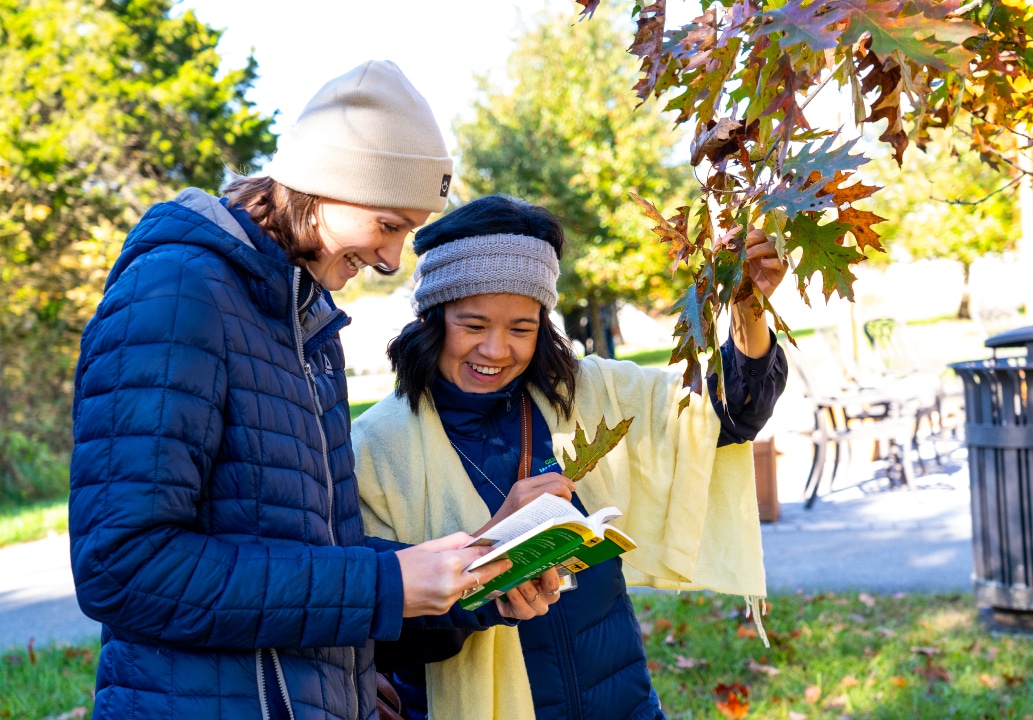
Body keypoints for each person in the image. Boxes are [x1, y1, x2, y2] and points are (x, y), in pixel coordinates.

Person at [68, 62, 558, 720]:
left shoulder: (310, 330)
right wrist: (383, 582)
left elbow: (314, 571)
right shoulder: (177, 293)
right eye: (389, 224)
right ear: (327, 185)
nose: (391, 258)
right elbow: (122, 568)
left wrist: (474, 581)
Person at [352, 195, 790, 719]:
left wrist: (748, 308)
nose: (496, 350)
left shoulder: (588, 394)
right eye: (472, 325)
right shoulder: (373, 449)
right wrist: (488, 562)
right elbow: (386, 634)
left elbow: (725, 417)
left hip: (620, 702)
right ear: (433, 317)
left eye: (521, 328)